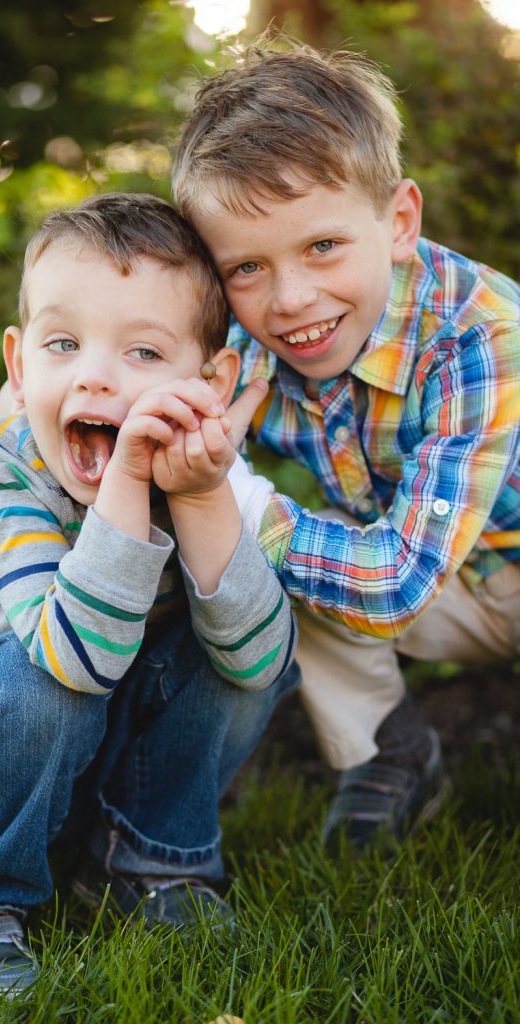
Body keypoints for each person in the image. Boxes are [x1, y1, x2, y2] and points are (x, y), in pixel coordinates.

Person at [0, 193, 299, 996]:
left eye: (143, 352)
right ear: (19, 363)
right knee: (46, 682)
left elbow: (258, 667)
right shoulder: (2, 474)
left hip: (88, 741)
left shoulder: (202, 461)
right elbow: (73, 660)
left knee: (242, 629)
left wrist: (204, 497)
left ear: (209, 380)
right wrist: (131, 479)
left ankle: (143, 863)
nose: (95, 375)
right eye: (62, 343)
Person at [172, 39, 520, 851]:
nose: (291, 301)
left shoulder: (478, 337)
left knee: (257, 527)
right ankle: (387, 754)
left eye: (322, 246)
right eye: (247, 267)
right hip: (455, 577)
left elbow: (396, 581)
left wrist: (234, 498)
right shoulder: (244, 338)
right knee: (281, 556)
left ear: (398, 221)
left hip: (461, 563)